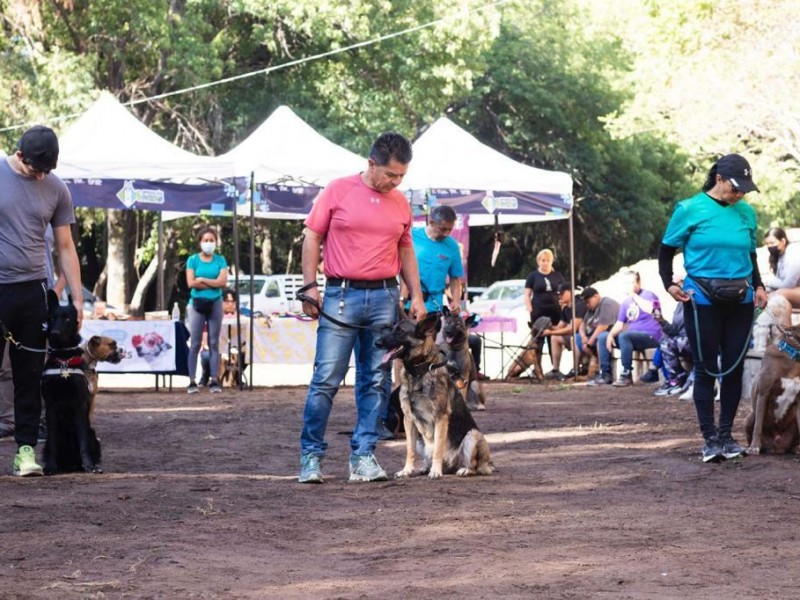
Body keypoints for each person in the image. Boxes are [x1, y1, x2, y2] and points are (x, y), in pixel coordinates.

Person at [297, 132, 425, 484]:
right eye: (391, 175)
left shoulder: (400, 202)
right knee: (326, 380)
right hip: (341, 296)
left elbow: (405, 248)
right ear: (371, 164)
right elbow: (312, 236)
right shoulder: (338, 190)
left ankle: (364, 456)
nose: (396, 182)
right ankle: (311, 457)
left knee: (376, 380)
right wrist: (310, 287)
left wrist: (415, 294)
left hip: (385, 298)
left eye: (402, 176)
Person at [659, 153, 767, 463]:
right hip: (702, 298)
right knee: (706, 368)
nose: (741, 194)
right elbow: (666, 250)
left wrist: (758, 285)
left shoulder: (746, 213)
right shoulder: (689, 209)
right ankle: (709, 440)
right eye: (736, 187)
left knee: (733, 368)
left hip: (741, 299)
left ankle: (726, 436)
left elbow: (751, 255)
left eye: (745, 189)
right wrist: (669, 283)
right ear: (719, 179)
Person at [0, 125, 83, 476]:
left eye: (48, 169)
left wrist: (77, 298)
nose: (42, 175)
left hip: (33, 291)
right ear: (20, 156)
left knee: (29, 375)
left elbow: (65, 246)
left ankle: (25, 452)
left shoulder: (56, 189)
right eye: (37, 169)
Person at [593, 271, 663, 387]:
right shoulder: (626, 302)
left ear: (639, 283)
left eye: (631, 283)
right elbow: (619, 324)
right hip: (632, 338)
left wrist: (634, 296)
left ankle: (626, 373)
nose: (628, 286)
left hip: (651, 335)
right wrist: (610, 335)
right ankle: (605, 374)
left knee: (624, 335)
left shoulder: (649, 295)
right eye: (625, 283)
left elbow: (654, 311)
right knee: (603, 337)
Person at [186, 226, 228, 394]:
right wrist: (213, 281)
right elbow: (190, 283)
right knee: (195, 343)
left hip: (216, 303)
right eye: (206, 240)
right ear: (200, 242)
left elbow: (223, 283)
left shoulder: (220, 260)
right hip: (196, 304)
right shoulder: (193, 260)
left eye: (212, 240)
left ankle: (214, 379)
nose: (209, 243)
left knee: (213, 342)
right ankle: (191, 380)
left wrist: (202, 279)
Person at [523, 249, 565, 358]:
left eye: (548, 260)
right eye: (543, 260)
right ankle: (537, 367)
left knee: (553, 338)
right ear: (538, 261)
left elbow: (564, 292)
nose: (545, 263)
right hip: (538, 311)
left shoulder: (557, 276)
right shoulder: (533, 276)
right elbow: (527, 294)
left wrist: (563, 305)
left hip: (555, 312)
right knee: (538, 340)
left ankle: (555, 367)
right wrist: (530, 309)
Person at [542, 283, 587, 380]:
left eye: (561, 293)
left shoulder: (579, 305)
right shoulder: (566, 308)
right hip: (573, 336)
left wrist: (551, 332)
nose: (559, 296)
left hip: (583, 335)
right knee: (555, 338)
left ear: (570, 292)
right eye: (558, 294)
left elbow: (573, 328)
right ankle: (555, 369)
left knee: (572, 338)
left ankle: (575, 369)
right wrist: (549, 327)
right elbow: (560, 326)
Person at [199, 288, 238, 386]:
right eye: (227, 301)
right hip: (214, 348)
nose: (230, 304)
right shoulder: (212, 316)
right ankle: (206, 375)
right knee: (206, 355)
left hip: (234, 349)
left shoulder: (241, 318)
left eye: (233, 302)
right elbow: (205, 340)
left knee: (243, 354)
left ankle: (236, 376)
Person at [580, 287, 620, 381]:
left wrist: (589, 343)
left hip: (620, 333)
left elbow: (603, 326)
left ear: (596, 296)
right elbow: (582, 325)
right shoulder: (591, 309)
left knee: (601, 337)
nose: (587, 305)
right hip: (609, 335)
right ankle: (583, 369)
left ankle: (605, 373)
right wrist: (583, 336)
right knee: (578, 338)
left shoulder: (606, 303)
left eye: (588, 301)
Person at [763, 226, 800, 306]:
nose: (769, 246)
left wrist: (767, 282)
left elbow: (788, 285)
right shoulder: (778, 256)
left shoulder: (794, 253)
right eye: (767, 244)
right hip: (792, 291)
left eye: (772, 243)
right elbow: (779, 280)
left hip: (793, 289)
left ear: (783, 241)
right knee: (763, 292)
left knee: (778, 294)